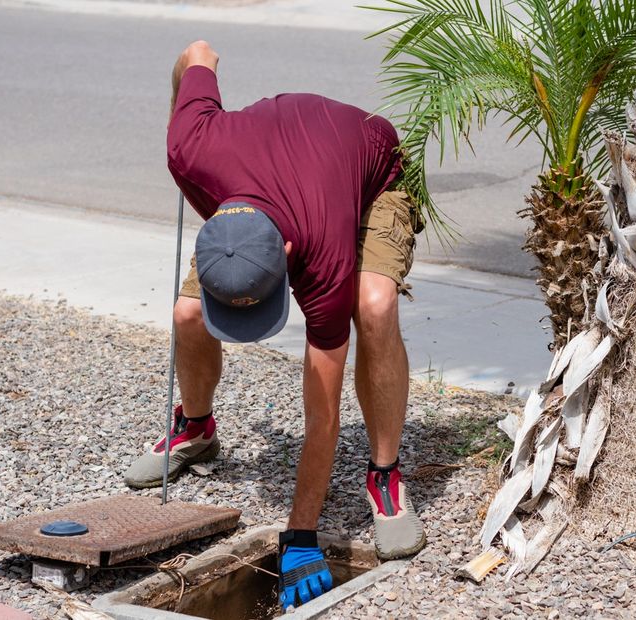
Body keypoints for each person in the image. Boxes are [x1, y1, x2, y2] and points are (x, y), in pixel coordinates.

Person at [122, 40, 427, 608]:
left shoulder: (322, 253)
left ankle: (385, 475)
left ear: (287, 255)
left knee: (376, 304)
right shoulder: (188, 147)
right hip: (252, 196)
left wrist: (301, 533)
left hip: (367, 169)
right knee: (187, 311)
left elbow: (323, 413)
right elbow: (198, 53)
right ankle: (196, 429)